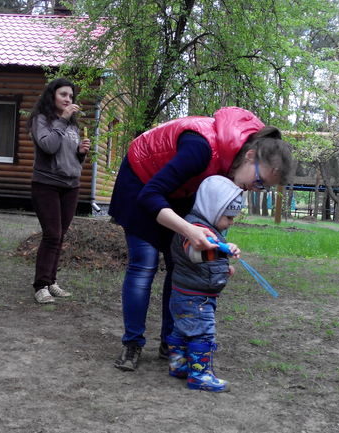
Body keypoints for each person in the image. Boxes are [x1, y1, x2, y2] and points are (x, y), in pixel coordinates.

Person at [109, 106, 293, 371]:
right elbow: (150, 195)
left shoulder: (233, 165)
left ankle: (170, 341)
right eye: (260, 181)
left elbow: (212, 219)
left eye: (263, 188)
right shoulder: (201, 149)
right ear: (250, 155)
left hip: (181, 189)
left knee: (181, 264)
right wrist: (187, 229)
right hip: (141, 179)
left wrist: (217, 256)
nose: (256, 189)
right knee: (144, 263)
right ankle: (132, 343)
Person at [166, 175, 243, 393]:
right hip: (196, 298)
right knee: (202, 333)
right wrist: (223, 249)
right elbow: (194, 254)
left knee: (183, 329)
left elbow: (205, 265)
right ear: (213, 209)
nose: (231, 222)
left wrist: (224, 269)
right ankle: (200, 375)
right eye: (228, 217)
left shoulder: (208, 228)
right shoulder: (194, 228)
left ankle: (179, 365)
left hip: (187, 293)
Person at [27, 78, 91, 304]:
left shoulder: (72, 125)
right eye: (63, 94)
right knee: (52, 234)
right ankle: (40, 286)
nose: (68, 99)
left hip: (70, 186)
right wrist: (63, 119)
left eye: (71, 96)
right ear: (52, 95)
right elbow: (49, 146)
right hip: (46, 185)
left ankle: (51, 281)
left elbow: (71, 159)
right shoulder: (41, 119)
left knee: (60, 235)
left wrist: (80, 153)